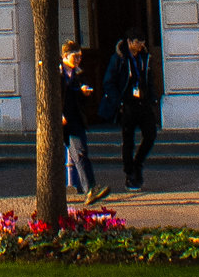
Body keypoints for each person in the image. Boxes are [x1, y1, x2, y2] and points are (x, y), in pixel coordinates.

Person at [99, 31, 161, 191]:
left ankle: (137, 163)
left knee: (151, 134)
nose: (141, 46)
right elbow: (109, 82)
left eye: (142, 43)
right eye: (138, 43)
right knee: (128, 141)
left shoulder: (144, 57)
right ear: (129, 42)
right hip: (127, 104)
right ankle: (130, 173)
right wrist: (119, 102)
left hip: (143, 102)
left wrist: (153, 98)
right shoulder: (119, 58)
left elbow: (149, 79)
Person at [59, 40, 108, 205]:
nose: (79, 59)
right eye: (76, 56)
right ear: (65, 56)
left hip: (75, 118)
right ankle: (84, 189)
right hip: (60, 120)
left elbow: (80, 95)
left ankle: (89, 189)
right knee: (69, 155)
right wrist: (58, 114)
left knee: (79, 152)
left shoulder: (79, 73)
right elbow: (50, 96)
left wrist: (84, 93)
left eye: (80, 56)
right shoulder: (56, 72)